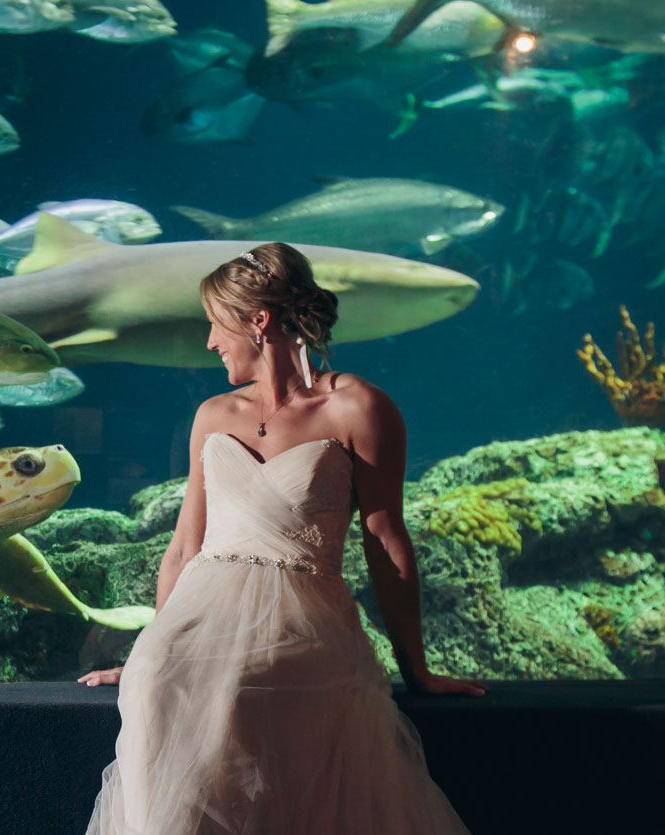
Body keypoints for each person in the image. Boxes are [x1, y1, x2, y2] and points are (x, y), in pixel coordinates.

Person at [78, 242, 486, 834]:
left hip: (303, 622)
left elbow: (387, 543)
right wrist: (151, 648)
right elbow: (185, 546)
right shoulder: (212, 414)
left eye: (216, 326)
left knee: (255, 689)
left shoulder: (360, 408)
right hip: (200, 619)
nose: (210, 343)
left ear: (258, 321)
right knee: (157, 682)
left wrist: (416, 668)